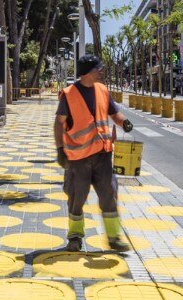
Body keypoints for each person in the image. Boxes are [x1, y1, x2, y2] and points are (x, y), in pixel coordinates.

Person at [55, 55, 134, 252]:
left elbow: (114, 113)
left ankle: (114, 237)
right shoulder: (69, 93)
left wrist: (123, 122)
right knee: (76, 198)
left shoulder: (102, 90)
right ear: (88, 72)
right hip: (78, 158)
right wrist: (60, 149)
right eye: (98, 69)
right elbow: (59, 123)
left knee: (109, 194)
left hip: (102, 154)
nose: (102, 71)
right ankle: (74, 237)